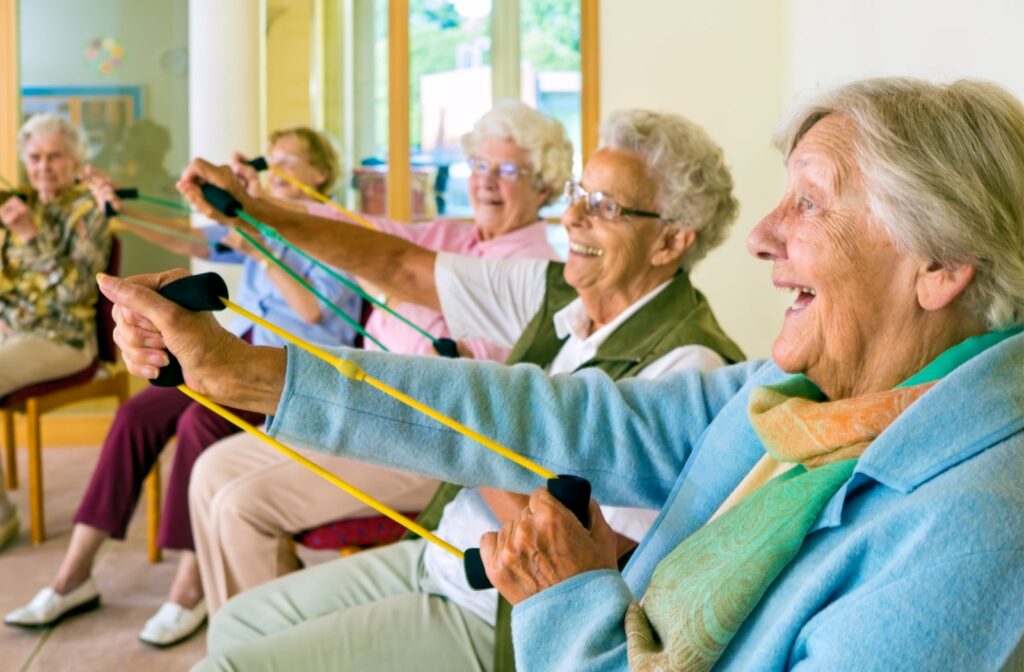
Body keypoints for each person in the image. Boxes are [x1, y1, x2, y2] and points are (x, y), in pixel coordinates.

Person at [106, 77, 1024, 670]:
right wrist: (243, 371)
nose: (763, 237)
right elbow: (540, 411)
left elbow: (581, 541)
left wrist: (570, 598)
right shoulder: (797, 397)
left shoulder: (972, 528)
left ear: (938, 264)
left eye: (811, 204)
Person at [187, 101, 576, 615]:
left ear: (543, 186)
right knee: (210, 471)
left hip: (428, 442)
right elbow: (361, 235)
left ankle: (265, 645)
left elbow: (476, 374)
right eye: (479, 166)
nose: (486, 182)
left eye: (506, 171)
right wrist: (254, 203)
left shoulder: (535, 267)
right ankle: (248, 638)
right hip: (359, 411)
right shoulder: (451, 236)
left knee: (240, 506)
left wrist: (396, 281)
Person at [3, 126, 361, 648]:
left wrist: (258, 244)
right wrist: (119, 212)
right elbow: (188, 240)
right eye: (273, 157)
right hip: (243, 354)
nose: (274, 166)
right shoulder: (265, 223)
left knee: (199, 422)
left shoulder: (337, 232)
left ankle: (188, 587)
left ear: (321, 172)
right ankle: (73, 575)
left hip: (296, 376)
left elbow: (312, 311)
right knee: (136, 415)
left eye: (289, 158)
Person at [0, 114, 111, 553]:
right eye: (35, 157)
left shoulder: (89, 210)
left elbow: (75, 292)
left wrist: (29, 234)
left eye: (55, 157)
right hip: (15, 334)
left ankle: (1, 518)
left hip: (65, 339)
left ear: (76, 160)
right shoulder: (22, 201)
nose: (44, 166)